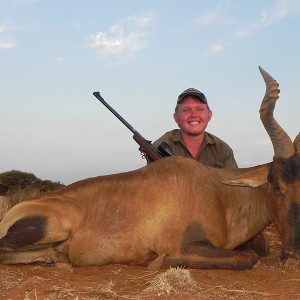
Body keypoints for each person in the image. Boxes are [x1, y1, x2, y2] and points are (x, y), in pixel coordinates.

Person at [153, 88, 238, 169]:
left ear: (209, 115)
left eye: (200, 109)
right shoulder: (159, 146)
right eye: (186, 110)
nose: (194, 115)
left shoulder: (223, 150)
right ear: (176, 118)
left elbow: (232, 183)